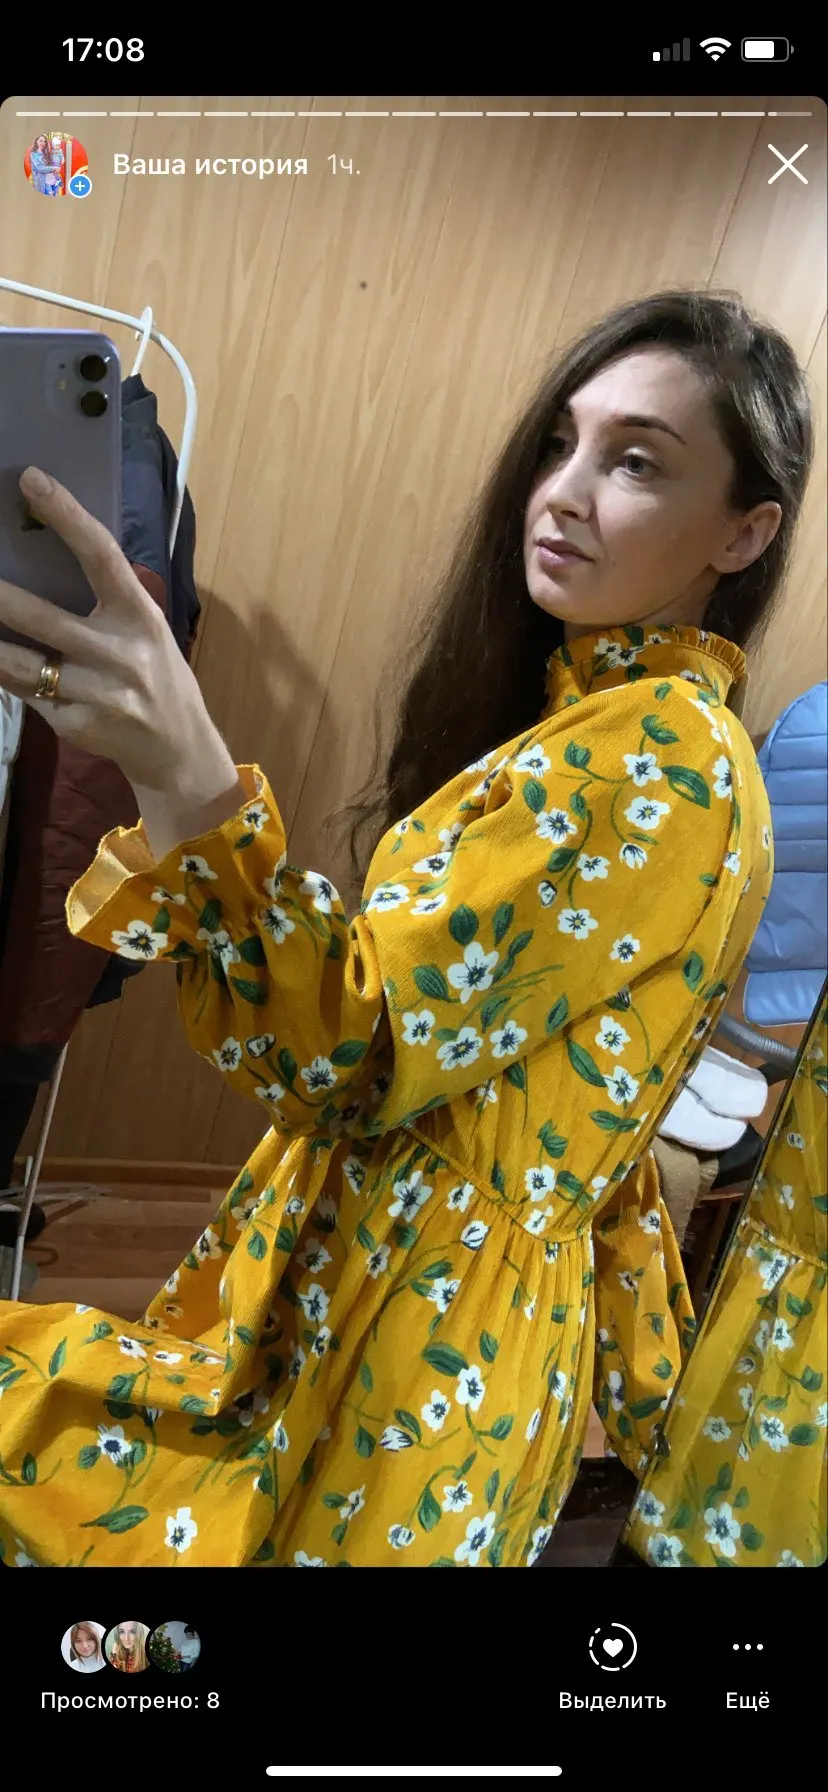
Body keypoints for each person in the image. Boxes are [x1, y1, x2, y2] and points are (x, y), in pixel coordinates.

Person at [0, 288, 814, 1570]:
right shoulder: (614, 727)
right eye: (561, 443)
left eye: (636, 462)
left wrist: (189, 774)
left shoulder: (657, 754)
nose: (562, 492)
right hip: (422, 1315)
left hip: (407, 1349)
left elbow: (348, 1053)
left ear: (745, 531)